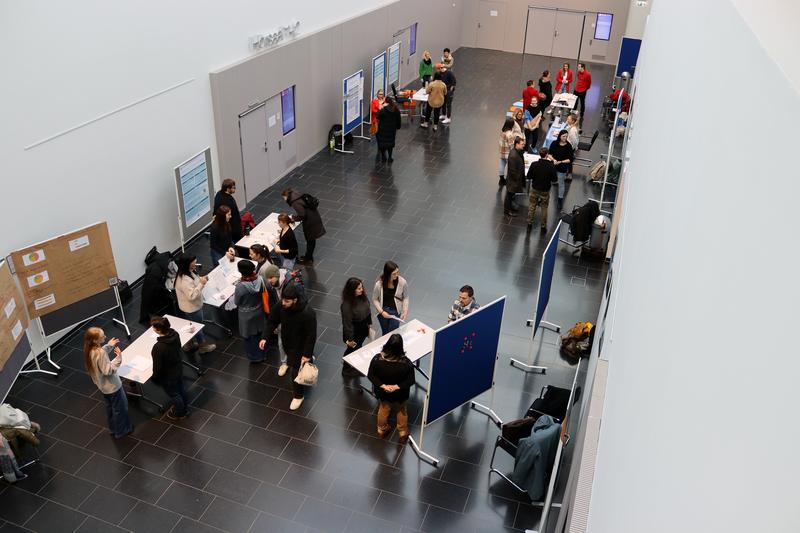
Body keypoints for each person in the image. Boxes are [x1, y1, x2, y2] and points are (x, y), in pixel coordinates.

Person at [259, 283, 317, 410]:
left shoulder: (308, 313)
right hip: (287, 343)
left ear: (295, 300)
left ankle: (298, 396)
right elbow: (272, 321)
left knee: (295, 372)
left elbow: (311, 336)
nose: (283, 303)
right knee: (294, 365)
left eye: (287, 301)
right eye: (283, 300)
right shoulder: (281, 305)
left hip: (300, 346)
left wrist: (306, 354)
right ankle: (292, 363)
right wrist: (264, 337)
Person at [83, 327, 132, 438]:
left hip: (103, 387)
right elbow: (108, 370)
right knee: (121, 409)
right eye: (102, 336)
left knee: (110, 408)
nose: (105, 337)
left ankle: (113, 429)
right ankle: (122, 431)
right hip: (112, 387)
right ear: (95, 340)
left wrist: (109, 346)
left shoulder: (89, 350)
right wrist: (119, 358)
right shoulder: (99, 352)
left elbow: (100, 357)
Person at [367, 334, 415, 443]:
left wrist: (383, 386)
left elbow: (371, 375)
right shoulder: (406, 363)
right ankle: (402, 432)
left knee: (383, 409)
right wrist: (396, 387)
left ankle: (382, 429)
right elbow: (411, 380)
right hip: (400, 393)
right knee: (401, 410)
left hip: (384, 392)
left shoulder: (377, 359)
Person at [174, 253, 216, 353]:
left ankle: (189, 344)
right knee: (197, 327)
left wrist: (201, 279)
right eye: (193, 262)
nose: (196, 263)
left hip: (188, 308)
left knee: (191, 325)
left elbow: (194, 282)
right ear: (187, 264)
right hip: (192, 308)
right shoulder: (185, 280)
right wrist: (201, 284)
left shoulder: (187, 272)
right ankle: (203, 347)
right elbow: (191, 296)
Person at [150, 316, 189, 420]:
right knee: (181, 389)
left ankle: (181, 413)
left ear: (159, 330)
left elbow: (157, 367)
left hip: (168, 376)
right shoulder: (175, 334)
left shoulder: (158, 347)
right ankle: (184, 407)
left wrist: (155, 378)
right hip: (178, 369)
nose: (152, 329)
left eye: (153, 327)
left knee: (174, 394)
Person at [282, 188, 325, 266]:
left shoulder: (295, 202)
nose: (284, 200)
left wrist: (294, 218)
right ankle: (308, 257)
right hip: (314, 218)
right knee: (311, 240)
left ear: (286, 196)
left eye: (284, 198)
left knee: (310, 241)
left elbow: (302, 215)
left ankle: (308, 259)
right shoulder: (298, 196)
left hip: (310, 222)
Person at [234, 260, 266, 363]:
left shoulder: (240, 286)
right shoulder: (261, 279)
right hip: (259, 310)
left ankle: (254, 357)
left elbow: (236, 302)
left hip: (246, 315)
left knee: (249, 337)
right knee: (259, 334)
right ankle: (263, 353)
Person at [340, 277, 373, 377]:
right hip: (354, 331)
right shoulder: (346, 305)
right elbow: (347, 324)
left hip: (363, 327)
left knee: (358, 347)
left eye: (361, 287)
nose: (361, 290)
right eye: (358, 288)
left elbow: (368, 310)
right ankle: (346, 369)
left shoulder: (363, 297)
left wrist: (369, 324)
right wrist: (350, 339)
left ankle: (355, 365)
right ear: (351, 290)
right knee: (351, 350)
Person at [372, 261, 409, 335]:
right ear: (388, 274)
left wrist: (405, 310)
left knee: (393, 333)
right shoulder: (379, 285)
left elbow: (406, 297)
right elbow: (375, 299)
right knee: (385, 332)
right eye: (394, 274)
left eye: (397, 272)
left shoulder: (402, 282)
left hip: (395, 311)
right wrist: (381, 312)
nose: (396, 275)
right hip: (383, 311)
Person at [526, 148, 558, 232]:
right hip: (545, 190)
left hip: (535, 188)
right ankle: (543, 226)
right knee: (544, 208)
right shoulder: (551, 166)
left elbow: (529, 176)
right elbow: (555, 179)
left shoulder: (534, 164)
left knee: (532, 206)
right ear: (547, 154)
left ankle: (529, 224)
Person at [548, 130, 574, 210]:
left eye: (566, 136)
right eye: (563, 136)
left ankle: (560, 200)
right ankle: (543, 197)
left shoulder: (568, 146)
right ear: (560, 136)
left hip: (562, 167)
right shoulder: (554, 143)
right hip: (553, 165)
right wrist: (554, 160)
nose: (565, 138)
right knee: (548, 181)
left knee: (561, 184)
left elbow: (570, 160)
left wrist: (561, 162)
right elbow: (549, 154)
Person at [213, 178, 242, 243]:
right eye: (233, 188)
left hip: (222, 225)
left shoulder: (218, 194)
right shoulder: (229, 201)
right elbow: (233, 215)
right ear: (228, 189)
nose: (235, 189)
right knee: (238, 242)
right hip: (232, 226)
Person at [376, 97, 402, 163]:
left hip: (382, 129)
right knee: (390, 143)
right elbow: (399, 119)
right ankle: (390, 157)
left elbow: (377, 116)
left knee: (382, 143)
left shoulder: (383, 110)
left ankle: (383, 157)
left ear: (386, 103)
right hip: (392, 130)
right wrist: (398, 127)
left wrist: (381, 107)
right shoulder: (395, 109)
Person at [498, 118, 515, 188]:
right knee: (510, 167)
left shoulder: (503, 132)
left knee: (502, 164)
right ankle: (509, 180)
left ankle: (501, 179)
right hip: (508, 153)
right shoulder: (510, 134)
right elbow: (511, 145)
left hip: (502, 151)